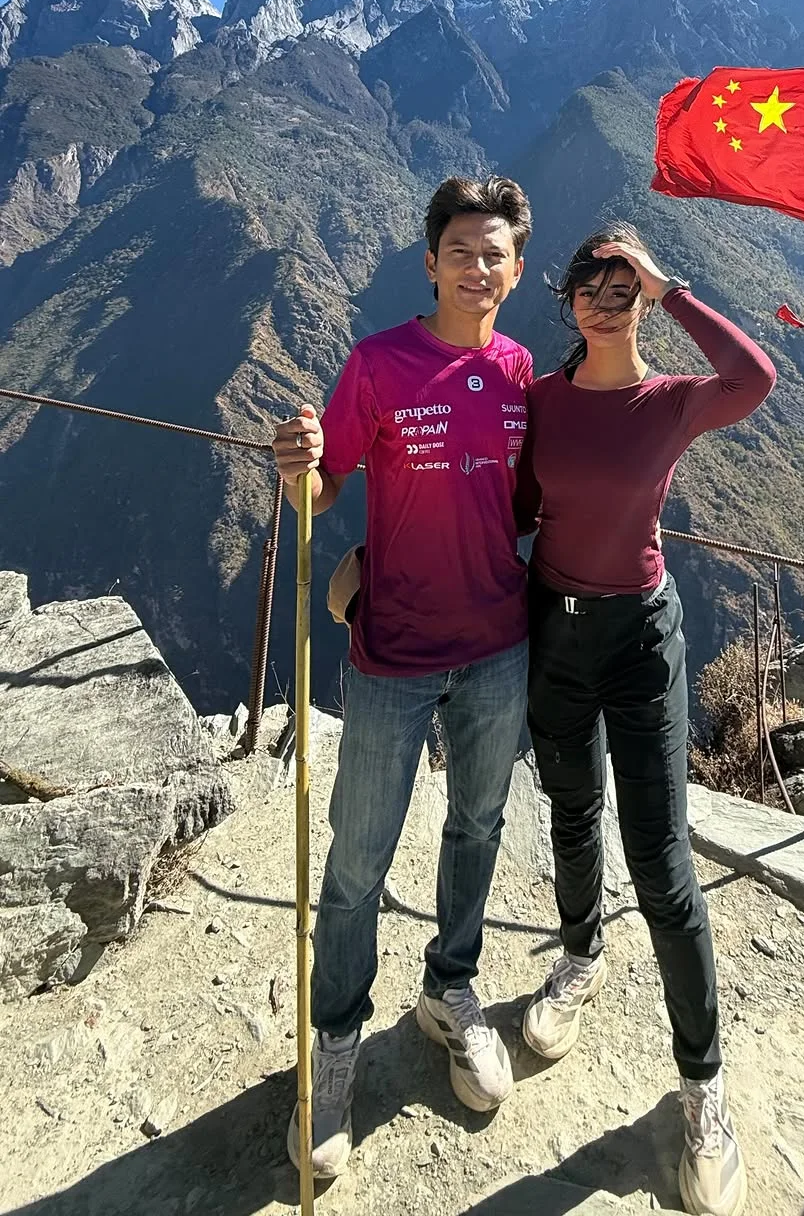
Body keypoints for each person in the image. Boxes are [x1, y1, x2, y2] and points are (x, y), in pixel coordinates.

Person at [272, 175, 533, 1181]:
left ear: (516, 270)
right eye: (460, 250)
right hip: (392, 654)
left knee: (478, 827)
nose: (477, 267)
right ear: (430, 263)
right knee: (357, 859)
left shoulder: (519, 371)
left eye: (494, 253)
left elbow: (534, 495)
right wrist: (298, 467)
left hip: (498, 645)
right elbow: (325, 484)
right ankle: (336, 1040)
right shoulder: (378, 364)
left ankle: (449, 987)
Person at [514, 226, 776, 1216]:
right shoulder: (541, 401)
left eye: (622, 285)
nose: (605, 297)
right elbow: (507, 505)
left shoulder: (669, 401)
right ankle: (579, 956)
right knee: (572, 813)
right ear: (567, 298)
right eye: (590, 283)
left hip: (639, 640)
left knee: (662, 859)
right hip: (554, 628)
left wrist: (673, 289)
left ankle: (703, 1087)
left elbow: (754, 378)